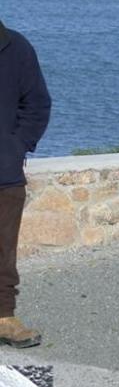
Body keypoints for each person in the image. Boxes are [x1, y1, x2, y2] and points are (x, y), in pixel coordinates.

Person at [0, 20, 51, 348]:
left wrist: (15, 147)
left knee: (3, 253)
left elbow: (37, 105)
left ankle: (4, 318)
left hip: (3, 173)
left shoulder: (17, 48)